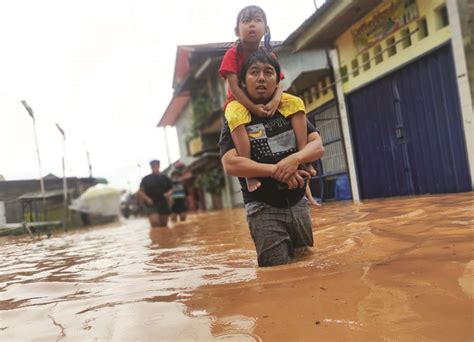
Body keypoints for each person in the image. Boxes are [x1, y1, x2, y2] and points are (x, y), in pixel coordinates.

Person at [219, 49, 324, 267]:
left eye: (268, 72)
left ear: (277, 80)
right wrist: (278, 170)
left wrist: (295, 159)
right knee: (276, 274)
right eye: (254, 72)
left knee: (307, 265)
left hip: (298, 203)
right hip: (263, 206)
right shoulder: (236, 116)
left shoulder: (289, 108)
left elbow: (317, 146)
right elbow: (230, 163)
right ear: (243, 81)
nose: (261, 78)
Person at [219, 5, 309, 193]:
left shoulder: (270, 55)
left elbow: (279, 83)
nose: (252, 25)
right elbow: (234, 87)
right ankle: (249, 173)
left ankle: (305, 159)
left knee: (296, 103)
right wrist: (252, 107)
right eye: (246, 21)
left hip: (270, 97)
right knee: (235, 115)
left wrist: (276, 101)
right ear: (237, 30)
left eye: (257, 20)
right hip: (238, 101)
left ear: (265, 29)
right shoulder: (232, 54)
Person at [136, 160, 173, 228]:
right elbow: (140, 191)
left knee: (164, 225)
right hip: (151, 203)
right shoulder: (146, 179)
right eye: (153, 166)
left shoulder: (165, 178)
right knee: (155, 223)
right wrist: (147, 198)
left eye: (156, 165)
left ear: (159, 166)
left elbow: (171, 188)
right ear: (151, 167)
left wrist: (168, 194)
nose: (155, 167)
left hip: (163, 202)